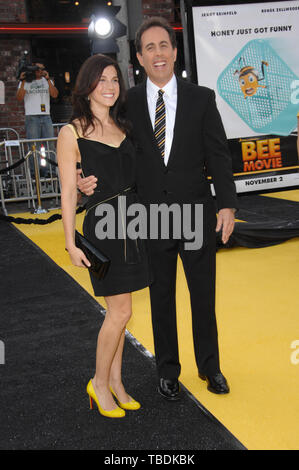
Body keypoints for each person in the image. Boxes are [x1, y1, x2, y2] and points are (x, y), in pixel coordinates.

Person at [77, 17, 238, 401]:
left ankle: (210, 367)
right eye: (149, 47)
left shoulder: (202, 98)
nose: (158, 53)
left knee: (203, 295)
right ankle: (168, 370)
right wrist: (85, 180)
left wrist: (228, 204)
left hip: (197, 213)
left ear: (175, 51)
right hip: (149, 217)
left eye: (163, 45)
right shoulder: (126, 101)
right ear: (139, 58)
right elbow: (104, 145)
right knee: (161, 297)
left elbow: (218, 154)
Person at [57, 54, 152, 418]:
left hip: (134, 224)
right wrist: (70, 242)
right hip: (104, 228)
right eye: (103, 80)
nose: (110, 86)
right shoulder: (72, 132)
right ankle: (98, 383)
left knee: (122, 314)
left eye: (115, 80)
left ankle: (116, 382)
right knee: (120, 311)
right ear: (87, 86)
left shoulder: (124, 128)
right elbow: (68, 192)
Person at [16, 60, 58, 175]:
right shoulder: (26, 81)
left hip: (46, 116)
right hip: (31, 116)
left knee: (50, 145)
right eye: (37, 69)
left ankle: (51, 170)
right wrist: (23, 81)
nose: (40, 71)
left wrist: (48, 80)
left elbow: (54, 94)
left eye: (42, 68)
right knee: (34, 146)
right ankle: (35, 172)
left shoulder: (46, 80)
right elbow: (19, 97)